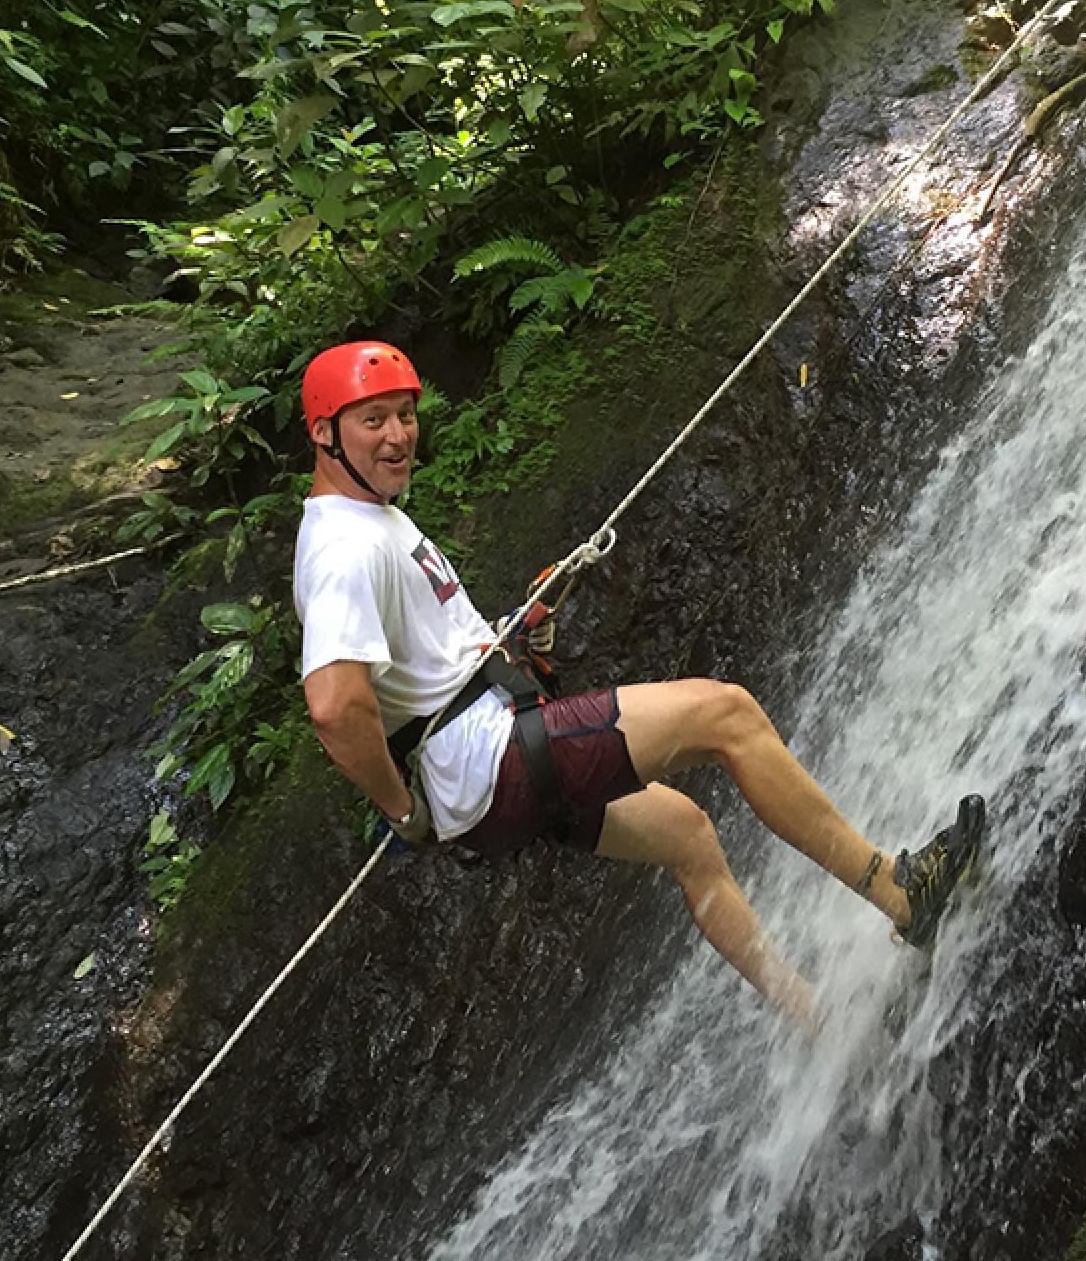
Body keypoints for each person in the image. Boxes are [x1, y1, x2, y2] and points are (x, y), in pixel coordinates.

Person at [292, 340, 985, 1026]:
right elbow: (333, 705)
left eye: (404, 415)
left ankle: (817, 1025)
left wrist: (512, 631)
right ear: (325, 434)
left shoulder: (370, 518)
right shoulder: (342, 548)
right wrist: (402, 810)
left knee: (686, 834)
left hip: (485, 767)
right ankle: (899, 892)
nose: (397, 436)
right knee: (727, 715)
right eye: (371, 420)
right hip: (490, 763)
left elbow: (426, 670)